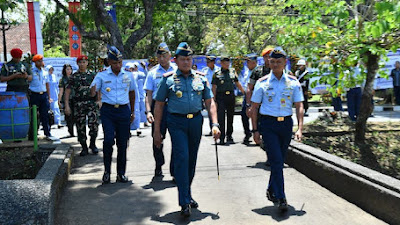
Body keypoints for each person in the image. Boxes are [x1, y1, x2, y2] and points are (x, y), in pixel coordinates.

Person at [153, 42, 221, 217]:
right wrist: (157, 131)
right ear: (176, 60)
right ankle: (184, 201)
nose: (186, 62)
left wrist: (214, 124)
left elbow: (210, 102)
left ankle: (187, 194)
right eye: (183, 59)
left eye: (189, 59)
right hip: (176, 122)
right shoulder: (167, 79)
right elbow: (159, 105)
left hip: (195, 122)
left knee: (191, 160)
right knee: (182, 157)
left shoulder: (200, 77)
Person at [250, 47, 304, 212]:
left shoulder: (293, 83)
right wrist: (255, 130)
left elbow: (299, 105)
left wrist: (300, 128)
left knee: (279, 160)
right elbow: (254, 107)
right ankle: (281, 197)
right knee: (276, 160)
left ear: (284, 62)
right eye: (272, 62)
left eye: (278, 62)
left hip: (285, 125)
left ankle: (272, 189)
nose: (274, 65)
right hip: (268, 125)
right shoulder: (262, 82)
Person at [90, 46, 136, 184]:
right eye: (115, 63)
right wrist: (93, 88)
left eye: (120, 62)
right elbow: (93, 92)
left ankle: (121, 173)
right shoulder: (102, 75)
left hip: (123, 110)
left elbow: (132, 93)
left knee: (123, 143)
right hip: (108, 111)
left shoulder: (128, 75)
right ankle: (107, 172)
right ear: (109, 62)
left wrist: (133, 111)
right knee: (108, 140)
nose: (118, 65)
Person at [144, 42, 176, 177]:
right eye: (159, 56)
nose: (162, 59)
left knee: (177, 139)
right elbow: (149, 95)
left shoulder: (177, 70)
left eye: (164, 56)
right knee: (157, 138)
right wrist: (148, 111)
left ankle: (175, 170)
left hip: (174, 108)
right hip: (158, 108)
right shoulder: (152, 73)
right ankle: (159, 164)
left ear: (169, 55)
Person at [65, 55, 99, 156]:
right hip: (78, 104)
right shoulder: (73, 77)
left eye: (84, 62)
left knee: (94, 125)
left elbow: (98, 88)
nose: (82, 64)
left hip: (91, 103)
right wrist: (66, 105)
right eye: (80, 62)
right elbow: (67, 91)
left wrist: (99, 100)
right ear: (77, 63)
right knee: (80, 126)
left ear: (87, 63)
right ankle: (84, 147)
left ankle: (93, 144)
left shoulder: (92, 75)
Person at [212, 56, 245, 145]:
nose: (227, 64)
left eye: (228, 62)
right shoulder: (217, 73)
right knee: (221, 117)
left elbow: (237, 83)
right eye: (225, 63)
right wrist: (214, 99)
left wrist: (244, 92)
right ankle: (221, 137)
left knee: (230, 117)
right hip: (220, 97)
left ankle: (229, 136)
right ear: (221, 63)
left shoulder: (232, 71)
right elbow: (214, 87)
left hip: (230, 96)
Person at [29, 54, 53, 139]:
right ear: (35, 62)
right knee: (34, 115)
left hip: (44, 95)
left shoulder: (45, 71)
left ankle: (47, 133)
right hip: (34, 94)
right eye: (38, 61)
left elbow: (47, 85)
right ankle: (33, 135)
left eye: (41, 60)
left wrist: (49, 97)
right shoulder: (31, 71)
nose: (40, 62)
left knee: (45, 114)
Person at [240, 53, 257, 144]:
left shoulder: (258, 71)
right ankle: (247, 133)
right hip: (246, 96)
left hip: (255, 96)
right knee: (244, 115)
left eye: (248, 62)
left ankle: (257, 132)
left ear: (254, 62)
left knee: (256, 115)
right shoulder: (247, 71)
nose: (247, 63)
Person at [201, 54, 220, 136]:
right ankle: (211, 128)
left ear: (213, 62)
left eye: (209, 62)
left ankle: (219, 128)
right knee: (210, 112)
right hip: (208, 94)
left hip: (218, 94)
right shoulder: (205, 71)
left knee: (218, 112)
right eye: (207, 62)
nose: (207, 63)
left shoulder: (219, 70)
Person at [125, 62, 141, 136]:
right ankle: (128, 129)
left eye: (132, 68)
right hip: (126, 98)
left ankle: (138, 128)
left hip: (136, 97)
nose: (131, 70)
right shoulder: (124, 75)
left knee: (136, 113)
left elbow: (144, 75)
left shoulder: (135, 74)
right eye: (130, 68)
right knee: (128, 114)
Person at [59, 64, 75, 137]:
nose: (69, 71)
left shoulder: (74, 78)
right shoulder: (63, 80)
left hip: (74, 98)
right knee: (68, 116)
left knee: (75, 116)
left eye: (70, 69)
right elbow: (61, 91)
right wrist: (59, 100)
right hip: (67, 100)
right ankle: (71, 131)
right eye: (67, 69)